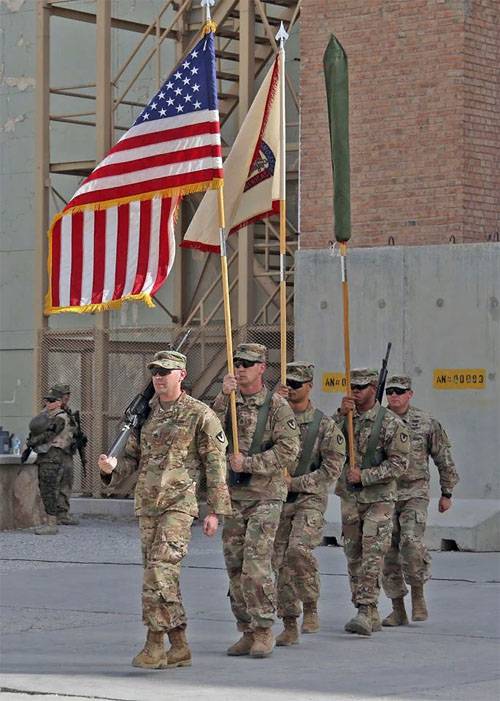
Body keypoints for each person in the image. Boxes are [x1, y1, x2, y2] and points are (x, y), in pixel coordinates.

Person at [98, 350, 231, 670]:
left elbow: (215, 464)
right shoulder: (146, 414)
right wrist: (110, 468)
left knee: (158, 572)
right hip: (147, 506)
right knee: (160, 577)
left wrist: (216, 510)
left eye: (165, 371)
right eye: (155, 372)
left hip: (178, 507)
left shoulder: (200, 415)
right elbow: (132, 459)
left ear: (181, 375)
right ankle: (180, 644)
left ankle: (155, 644)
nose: (159, 376)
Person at [212, 343, 300, 658]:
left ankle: (264, 629)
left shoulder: (277, 407)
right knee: (234, 564)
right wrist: (223, 395)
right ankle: (246, 629)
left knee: (256, 564)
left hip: (265, 495)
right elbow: (208, 433)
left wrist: (248, 463)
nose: (241, 368)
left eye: (248, 364)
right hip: (234, 497)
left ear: (262, 367)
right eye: (238, 363)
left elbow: (289, 450)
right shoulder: (228, 402)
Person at [272, 362, 346, 646]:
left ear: (310, 387)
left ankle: (311, 604)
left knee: (298, 549)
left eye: (297, 384)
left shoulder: (324, 426)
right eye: (287, 383)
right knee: (279, 561)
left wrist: (296, 484)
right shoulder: (274, 419)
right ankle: (289, 621)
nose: (291, 388)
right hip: (278, 499)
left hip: (309, 499)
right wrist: (273, 404)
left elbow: (331, 470)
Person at [334, 368, 410, 636]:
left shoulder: (390, 424)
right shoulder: (346, 419)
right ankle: (363, 606)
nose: (355, 391)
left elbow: (399, 464)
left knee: (372, 553)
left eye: (362, 386)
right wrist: (340, 416)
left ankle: (367, 609)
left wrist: (365, 476)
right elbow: (326, 443)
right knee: (353, 554)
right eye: (352, 386)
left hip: (379, 498)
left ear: (373, 387)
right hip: (351, 498)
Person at [381, 375, 459, 625]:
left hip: (414, 492)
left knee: (411, 543)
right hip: (383, 494)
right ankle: (397, 608)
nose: (394, 396)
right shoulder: (377, 421)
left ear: (410, 394)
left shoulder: (425, 423)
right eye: (390, 391)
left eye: (400, 391)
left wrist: (447, 493)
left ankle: (417, 594)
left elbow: (443, 458)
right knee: (387, 552)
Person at [28, 388, 74, 535]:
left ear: (59, 403)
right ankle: (51, 521)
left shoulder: (60, 417)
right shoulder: (46, 415)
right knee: (46, 488)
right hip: (45, 455)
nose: (48, 403)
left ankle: (52, 524)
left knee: (49, 489)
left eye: (51, 401)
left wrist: (32, 442)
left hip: (52, 456)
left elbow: (48, 435)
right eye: (46, 400)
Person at [50, 383, 86, 525]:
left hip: (66, 452)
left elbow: (72, 430)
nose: (67, 398)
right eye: (65, 395)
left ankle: (63, 514)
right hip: (54, 452)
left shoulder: (68, 412)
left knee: (66, 483)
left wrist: (77, 437)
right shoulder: (52, 411)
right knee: (53, 484)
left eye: (68, 395)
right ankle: (51, 515)